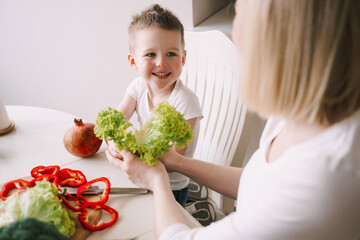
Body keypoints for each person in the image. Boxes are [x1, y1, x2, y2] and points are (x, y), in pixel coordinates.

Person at [106, 0, 360, 239]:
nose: (235, 34)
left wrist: (157, 180)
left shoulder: (319, 188)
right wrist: (174, 162)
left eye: (240, 12)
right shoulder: (298, 114)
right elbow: (257, 181)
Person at [107, 4, 203, 206]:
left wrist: (131, 150)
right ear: (133, 61)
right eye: (151, 54)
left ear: (183, 58)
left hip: (171, 188)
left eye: (171, 54)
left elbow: (173, 160)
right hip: (142, 177)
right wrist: (115, 144)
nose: (161, 62)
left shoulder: (186, 102)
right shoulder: (137, 87)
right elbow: (114, 123)